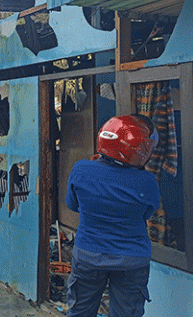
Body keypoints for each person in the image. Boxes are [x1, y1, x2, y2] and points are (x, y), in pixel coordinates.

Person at [65, 114, 160, 317]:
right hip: (132, 260)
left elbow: (72, 205)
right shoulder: (147, 181)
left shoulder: (81, 169)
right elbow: (147, 213)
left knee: (80, 311)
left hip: (89, 255)